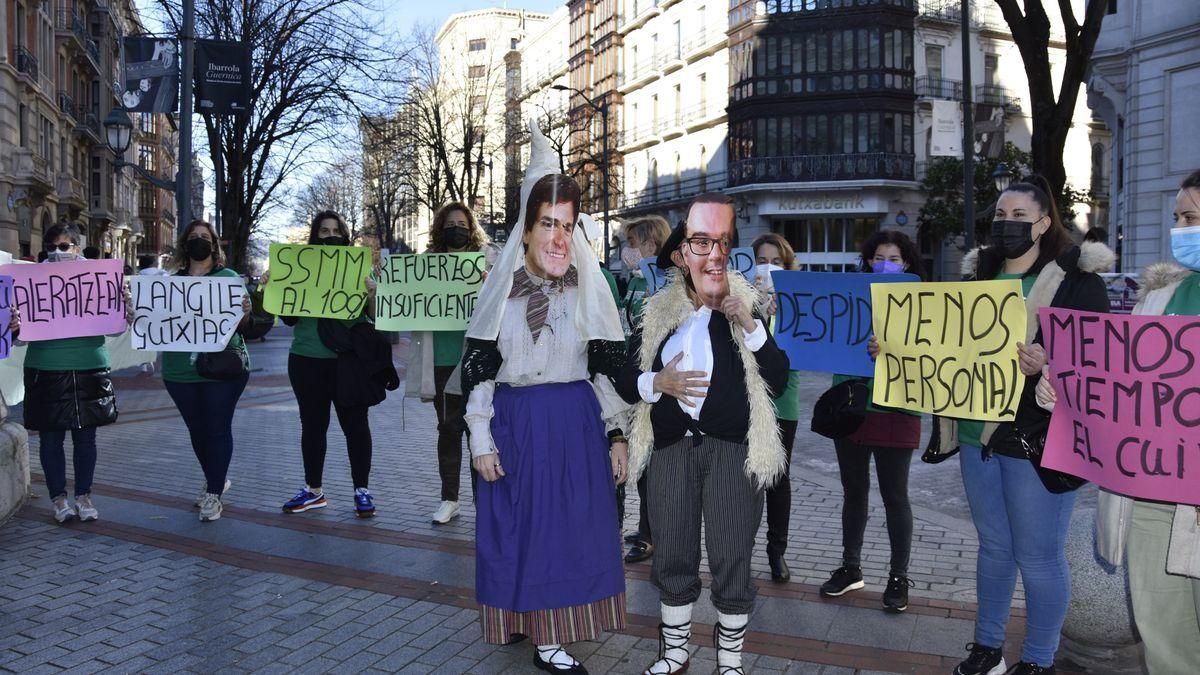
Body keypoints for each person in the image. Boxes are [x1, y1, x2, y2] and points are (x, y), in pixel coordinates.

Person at [922, 176, 1113, 675]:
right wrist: (897, 350)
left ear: (1044, 222)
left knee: (1039, 557)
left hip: (1036, 439)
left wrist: (1049, 363)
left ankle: (1039, 659)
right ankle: (987, 649)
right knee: (994, 548)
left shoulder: (1077, 283)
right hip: (974, 434)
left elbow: (1100, 363)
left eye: (1019, 217)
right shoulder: (976, 278)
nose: (1006, 225)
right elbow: (944, 345)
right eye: (1000, 216)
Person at [462, 125, 629, 673]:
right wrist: (481, 439)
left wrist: (616, 432)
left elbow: (604, 370)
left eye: (568, 225)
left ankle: (550, 636)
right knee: (520, 531)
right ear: (527, 230)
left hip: (575, 423)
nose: (559, 237)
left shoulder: (589, 291)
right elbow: (481, 370)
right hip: (518, 424)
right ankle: (528, 624)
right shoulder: (499, 294)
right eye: (547, 224)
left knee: (567, 533)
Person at [616, 193, 790, 675]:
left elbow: (778, 377)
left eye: (719, 243)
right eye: (699, 243)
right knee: (672, 548)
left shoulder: (745, 305)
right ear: (679, 256)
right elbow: (625, 378)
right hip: (672, 449)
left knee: (733, 550)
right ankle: (674, 653)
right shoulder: (656, 314)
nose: (711, 254)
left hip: (733, 451)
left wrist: (750, 324)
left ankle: (729, 659)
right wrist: (658, 383)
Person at [1092, 169, 1200, 674]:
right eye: (1177, 217)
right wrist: (1059, 389)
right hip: (1156, 497)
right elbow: (1118, 386)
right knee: (1165, 644)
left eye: (1191, 218)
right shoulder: (1157, 298)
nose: (1180, 228)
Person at [818, 231, 925, 609]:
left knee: (895, 496)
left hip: (896, 408)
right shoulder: (850, 297)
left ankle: (898, 577)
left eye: (892, 258)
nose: (884, 263)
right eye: (878, 257)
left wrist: (893, 347)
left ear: (907, 263)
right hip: (852, 408)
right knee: (853, 492)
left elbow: (931, 351)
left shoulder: (923, 303)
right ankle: (851, 567)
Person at [272, 210, 387, 518]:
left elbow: (375, 317)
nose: (330, 235)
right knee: (312, 427)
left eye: (336, 230)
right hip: (307, 360)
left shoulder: (358, 270)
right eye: (324, 231)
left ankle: (361, 490)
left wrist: (373, 293)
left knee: (356, 427)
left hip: (348, 362)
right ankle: (313, 490)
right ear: (314, 237)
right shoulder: (299, 269)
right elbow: (289, 318)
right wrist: (276, 288)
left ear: (345, 236)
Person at [20, 224, 130, 523]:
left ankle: (84, 496)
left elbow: (115, 328)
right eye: (52, 247)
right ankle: (58, 500)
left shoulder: (99, 277)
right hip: (47, 368)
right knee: (50, 440)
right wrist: (14, 324)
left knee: (86, 439)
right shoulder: (30, 279)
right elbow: (20, 337)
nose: (58, 253)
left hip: (88, 366)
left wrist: (122, 307)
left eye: (64, 247)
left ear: (78, 248)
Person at [160, 220, 253, 522]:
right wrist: (140, 314)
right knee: (197, 431)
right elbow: (156, 323)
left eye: (205, 237)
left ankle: (213, 493)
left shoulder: (227, 278)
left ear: (214, 245)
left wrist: (245, 312)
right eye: (193, 237)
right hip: (179, 371)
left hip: (222, 369)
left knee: (216, 428)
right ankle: (216, 477)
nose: (199, 241)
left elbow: (241, 327)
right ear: (184, 244)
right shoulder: (169, 282)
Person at [406, 202, 490, 525]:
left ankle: (485, 501)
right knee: (448, 430)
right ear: (441, 229)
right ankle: (449, 498)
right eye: (450, 223)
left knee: (481, 430)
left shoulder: (485, 262)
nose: (457, 228)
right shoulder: (427, 264)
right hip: (442, 360)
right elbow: (405, 300)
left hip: (477, 360)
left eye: (462, 223)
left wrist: (488, 283)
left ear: (471, 229)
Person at [618, 215, 672, 565]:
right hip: (634, 380)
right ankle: (646, 526)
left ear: (651, 245)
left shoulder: (665, 282)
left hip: (656, 383)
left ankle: (653, 535)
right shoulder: (637, 281)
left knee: (652, 464)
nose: (627, 250)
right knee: (641, 461)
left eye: (633, 243)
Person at [751, 232, 804, 583]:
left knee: (778, 480)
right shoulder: (737, 301)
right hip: (749, 402)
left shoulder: (798, 303)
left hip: (783, 403)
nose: (768, 268)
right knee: (746, 478)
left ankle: (777, 551)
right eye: (762, 260)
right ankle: (740, 548)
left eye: (777, 262)